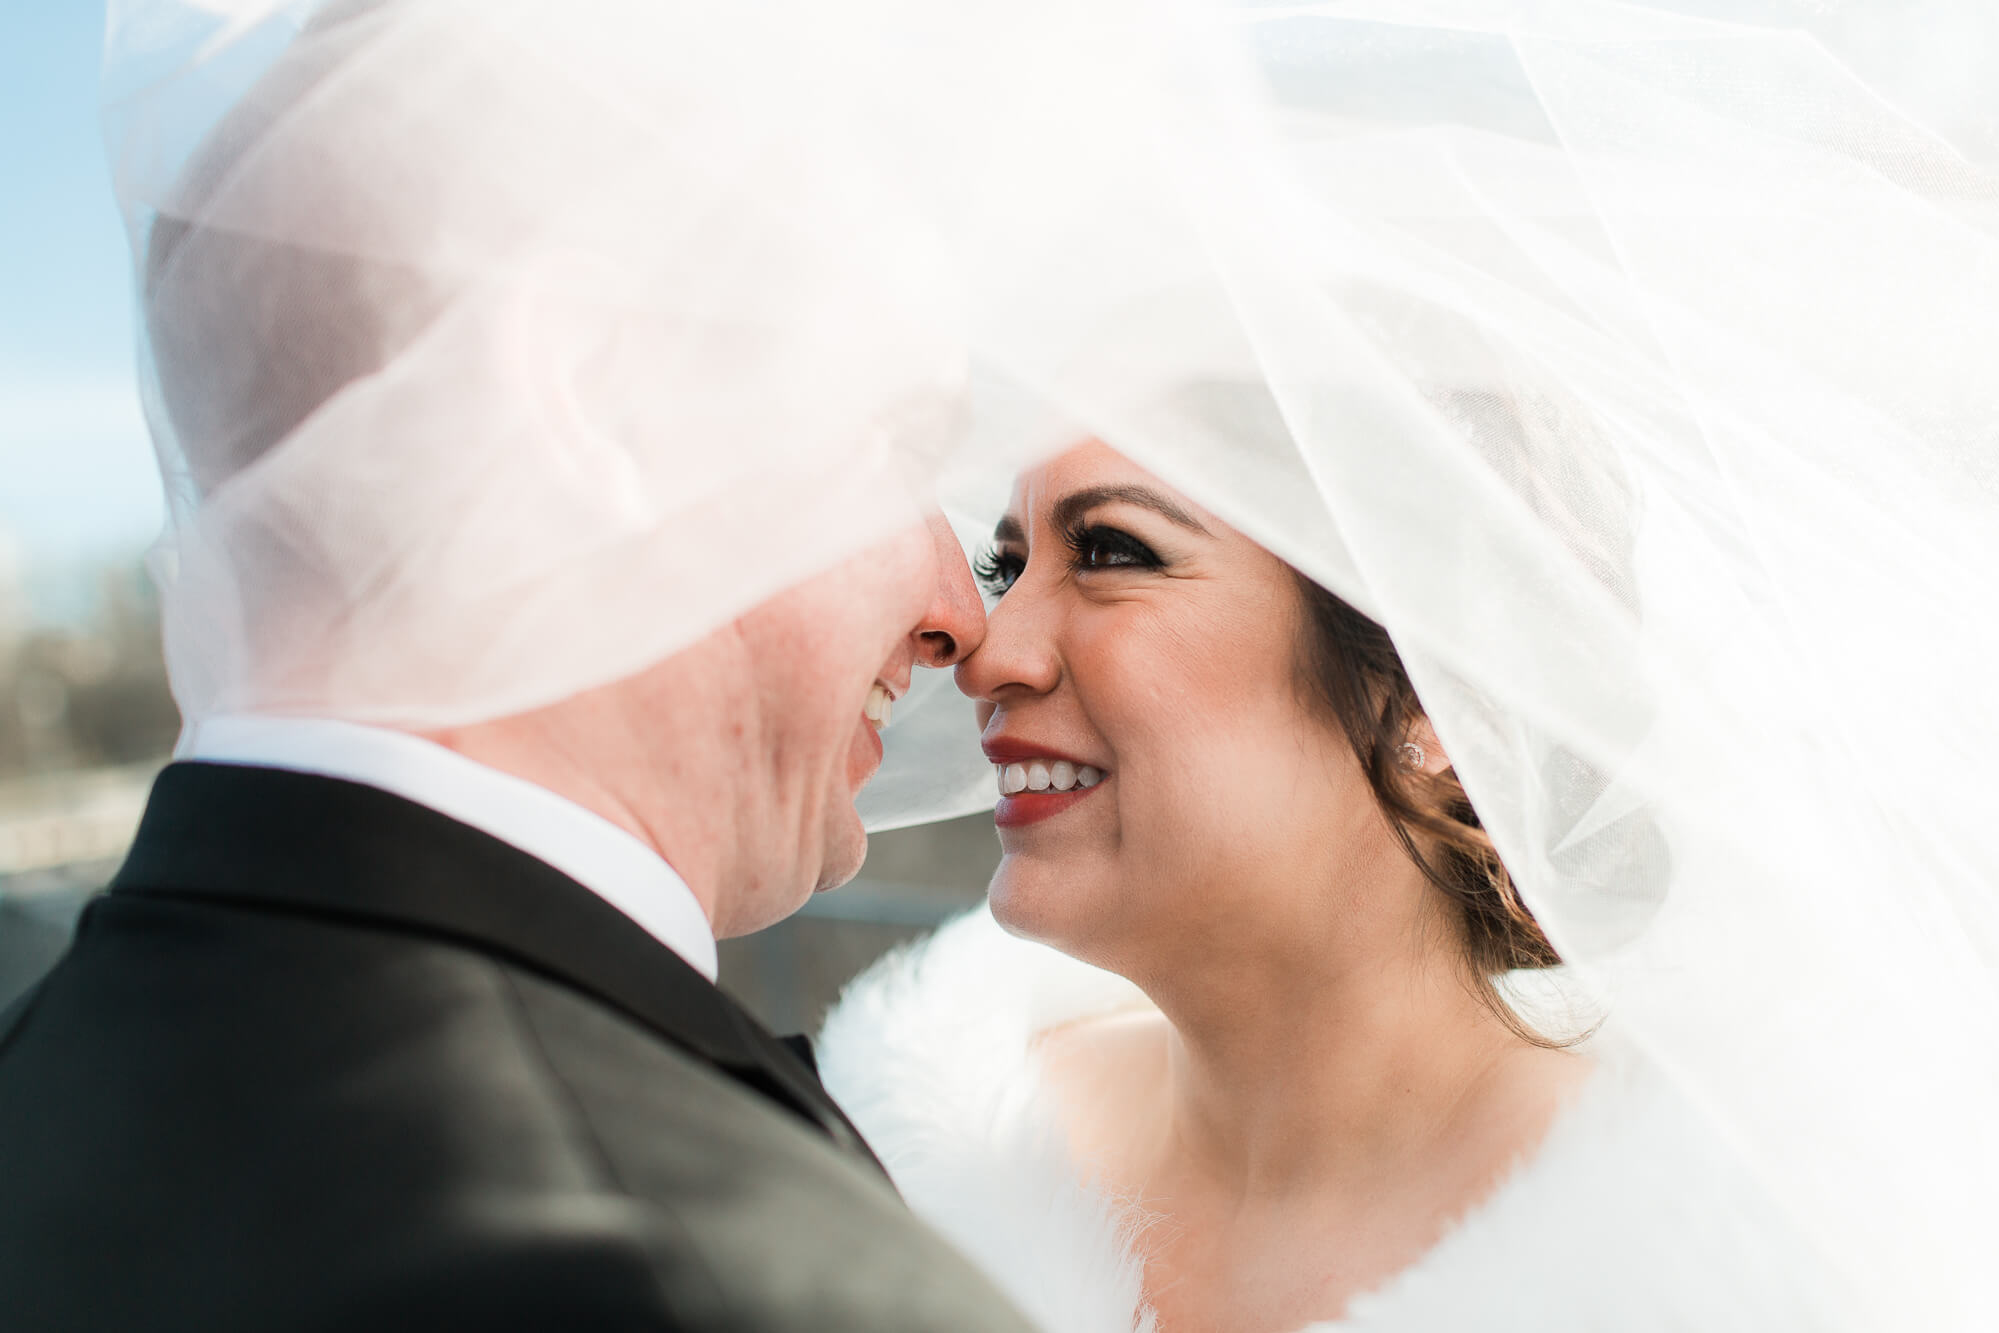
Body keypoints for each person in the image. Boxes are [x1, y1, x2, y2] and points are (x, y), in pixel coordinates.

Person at [0, 2, 1039, 1330]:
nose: (962, 608)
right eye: (893, 441)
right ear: (598, 403)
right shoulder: (738, 1285)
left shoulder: (39, 1083)